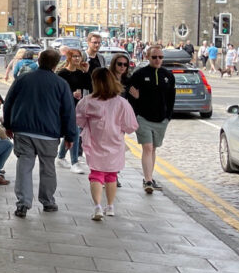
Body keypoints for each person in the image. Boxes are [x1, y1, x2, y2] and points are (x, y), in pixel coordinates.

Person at [2, 49, 79, 218]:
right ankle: (48, 201)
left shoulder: (23, 79)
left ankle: (23, 203)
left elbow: (8, 102)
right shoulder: (61, 84)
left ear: (39, 60)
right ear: (55, 64)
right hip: (49, 134)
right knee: (48, 168)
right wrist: (70, 135)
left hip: (23, 130)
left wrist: (8, 124)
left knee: (24, 166)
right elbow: (68, 111)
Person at [76, 68, 139, 220]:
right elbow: (130, 125)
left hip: (94, 141)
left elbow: (79, 120)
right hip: (115, 142)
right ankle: (110, 206)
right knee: (112, 174)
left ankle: (97, 206)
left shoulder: (87, 101)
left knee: (96, 174)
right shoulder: (121, 103)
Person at [127, 45, 175, 194]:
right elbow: (130, 93)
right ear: (148, 57)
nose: (158, 60)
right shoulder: (140, 74)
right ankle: (147, 180)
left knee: (153, 148)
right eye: (154, 57)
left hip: (161, 119)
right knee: (147, 147)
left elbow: (171, 98)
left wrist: (168, 116)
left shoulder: (168, 75)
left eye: (160, 57)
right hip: (143, 118)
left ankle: (150, 177)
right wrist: (135, 112)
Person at [54, 49, 90, 174]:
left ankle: (61, 156)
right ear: (68, 58)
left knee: (72, 132)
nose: (77, 59)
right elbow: (57, 92)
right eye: (74, 56)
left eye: (79, 56)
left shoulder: (80, 73)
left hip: (77, 107)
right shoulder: (62, 73)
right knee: (74, 132)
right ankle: (74, 162)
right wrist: (71, 94)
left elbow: (89, 86)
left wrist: (86, 72)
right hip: (64, 108)